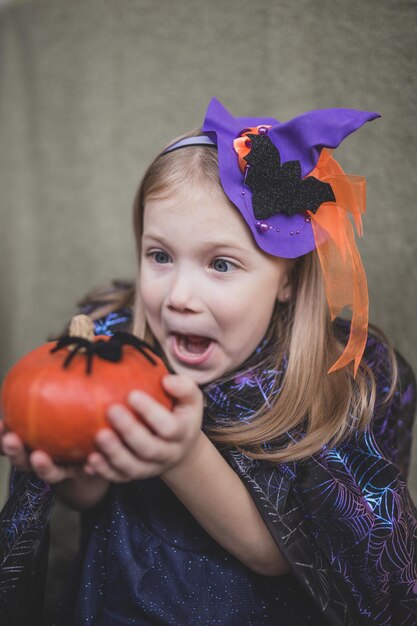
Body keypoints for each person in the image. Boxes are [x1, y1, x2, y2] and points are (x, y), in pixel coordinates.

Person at [1, 97, 416, 626]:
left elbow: (279, 555)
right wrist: (76, 463)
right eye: (160, 256)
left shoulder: (320, 382)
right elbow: (87, 500)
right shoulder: (118, 350)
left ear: (287, 278)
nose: (179, 296)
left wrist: (180, 454)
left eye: (220, 263)